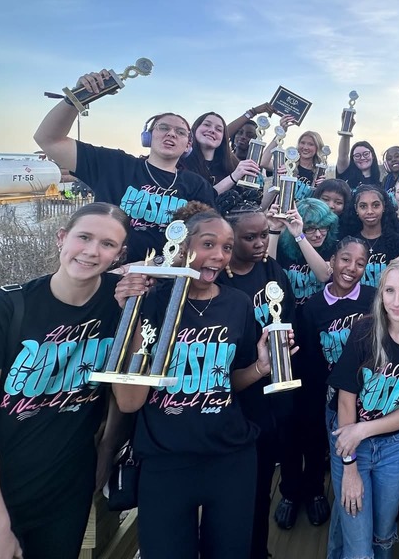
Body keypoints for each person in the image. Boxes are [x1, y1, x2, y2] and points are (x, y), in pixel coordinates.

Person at [0, 203, 131, 559]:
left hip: (63, 494)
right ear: (61, 238)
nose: (91, 251)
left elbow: (124, 396)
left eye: (107, 244)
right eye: (83, 237)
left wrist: (106, 452)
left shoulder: (122, 305)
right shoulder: (9, 307)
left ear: (120, 254)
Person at [110, 202, 278, 559]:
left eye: (227, 247)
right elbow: (128, 401)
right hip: (165, 461)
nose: (218, 255)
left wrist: (261, 368)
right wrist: (131, 314)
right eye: (208, 244)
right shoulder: (151, 303)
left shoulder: (238, 304)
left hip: (231, 457)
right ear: (184, 247)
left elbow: (227, 382)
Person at [34, 69, 217, 263]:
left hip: (166, 276)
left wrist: (151, 266)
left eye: (180, 132)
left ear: (188, 145)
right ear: (148, 137)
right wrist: (76, 98)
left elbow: (207, 241)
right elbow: (49, 139)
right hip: (106, 272)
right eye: (163, 128)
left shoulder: (197, 185)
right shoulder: (114, 164)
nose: (171, 134)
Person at [327, 256, 399, 559]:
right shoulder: (364, 331)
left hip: (393, 446)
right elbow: (346, 398)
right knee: (359, 548)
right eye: (389, 290)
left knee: (384, 534)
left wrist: (364, 429)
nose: (396, 301)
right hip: (350, 444)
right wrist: (350, 468)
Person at [276, 237, 375, 531]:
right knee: (307, 433)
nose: (351, 268)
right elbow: (308, 355)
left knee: (335, 444)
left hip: (366, 393)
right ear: (331, 261)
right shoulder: (312, 307)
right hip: (321, 387)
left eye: (360, 263)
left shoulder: (373, 299)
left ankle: (319, 491)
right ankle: (295, 492)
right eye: (345, 259)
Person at [217, 206, 296, 559]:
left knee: (262, 482)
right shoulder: (218, 279)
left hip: (272, 389)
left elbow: (287, 314)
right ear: (230, 240)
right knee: (233, 490)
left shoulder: (271, 270)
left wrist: (286, 344)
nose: (261, 243)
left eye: (264, 235)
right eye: (250, 237)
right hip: (233, 395)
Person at [339, 183, 399, 288]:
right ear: (356, 209)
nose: (370, 211)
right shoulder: (348, 244)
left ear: (383, 206)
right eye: (363, 206)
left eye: (375, 205)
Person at [271, 197, 340, 305]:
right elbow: (268, 270)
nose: (318, 234)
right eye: (310, 229)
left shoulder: (333, 247)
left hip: (317, 310)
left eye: (323, 227)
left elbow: (323, 276)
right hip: (287, 309)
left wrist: (300, 236)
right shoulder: (283, 246)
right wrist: (274, 229)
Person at [182, 111, 262, 195]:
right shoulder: (180, 161)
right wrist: (233, 177)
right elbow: (201, 197)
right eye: (207, 125)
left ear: (223, 137)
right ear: (195, 128)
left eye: (219, 129)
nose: (212, 130)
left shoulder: (232, 166)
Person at [294, 131, 329, 200]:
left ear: (317, 148)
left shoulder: (318, 173)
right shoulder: (288, 164)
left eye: (311, 144)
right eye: (302, 143)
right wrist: (280, 133)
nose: (305, 147)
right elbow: (268, 163)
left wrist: (322, 187)